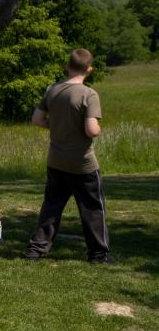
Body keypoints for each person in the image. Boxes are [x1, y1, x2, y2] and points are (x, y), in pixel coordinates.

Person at [25, 49, 111, 264]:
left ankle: (36, 250)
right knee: (92, 209)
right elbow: (91, 130)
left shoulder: (52, 90)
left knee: (52, 206)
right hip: (82, 163)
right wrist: (98, 129)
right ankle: (98, 255)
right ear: (89, 69)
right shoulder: (89, 94)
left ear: (67, 66)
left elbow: (36, 119)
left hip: (56, 160)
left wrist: (55, 126)